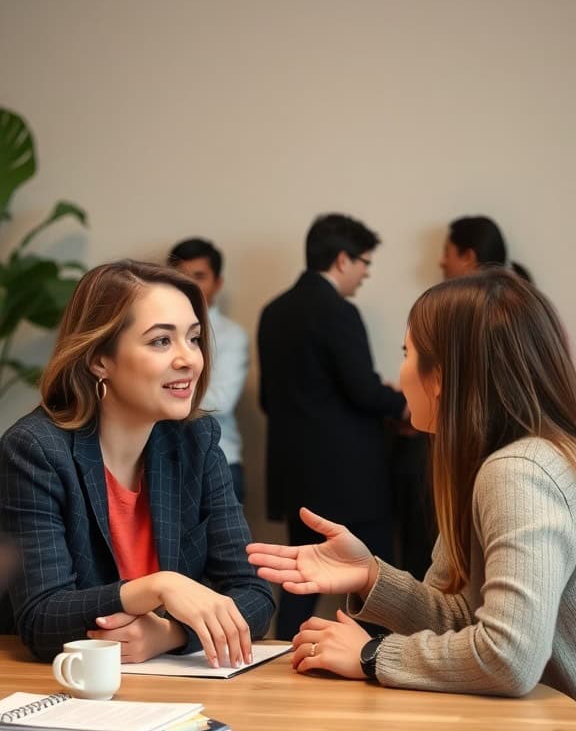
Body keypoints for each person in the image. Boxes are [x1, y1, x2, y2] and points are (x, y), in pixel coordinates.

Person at [248, 267, 576, 731]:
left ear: (445, 375)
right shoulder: (500, 459)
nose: (398, 373)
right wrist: (372, 577)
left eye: (405, 355)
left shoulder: (517, 473)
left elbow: (508, 655)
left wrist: (372, 657)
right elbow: (468, 619)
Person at [0, 260, 274, 668]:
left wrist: (170, 635)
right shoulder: (35, 450)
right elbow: (41, 620)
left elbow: (254, 595)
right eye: (161, 341)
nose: (189, 360)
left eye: (194, 338)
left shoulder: (198, 442)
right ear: (99, 359)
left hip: (174, 696)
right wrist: (157, 588)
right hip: (67, 696)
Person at [257, 212, 406, 640]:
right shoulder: (338, 311)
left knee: (299, 583)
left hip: (297, 477)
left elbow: (269, 399)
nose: (365, 274)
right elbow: (363, 391)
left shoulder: (273, 312)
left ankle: (284, 658)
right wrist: (404, 404)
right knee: (376, 584)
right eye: (364, 263)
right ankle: (375, 663)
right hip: (351, 479)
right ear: (343, 259)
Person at [167, 238, 249, 503]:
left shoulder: (231, 335)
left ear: (218, 283)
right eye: (180, 277)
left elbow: (220, 400)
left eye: (199, 276)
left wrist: (161, 392)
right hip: (161, 456)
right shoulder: (153, 330)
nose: (189, 285)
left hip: (219, 457)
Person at [440, 213, 533, 281]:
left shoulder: (478, 306)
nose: (441, 262)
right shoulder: (508, 299)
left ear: (468, 257)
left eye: (447, 254)